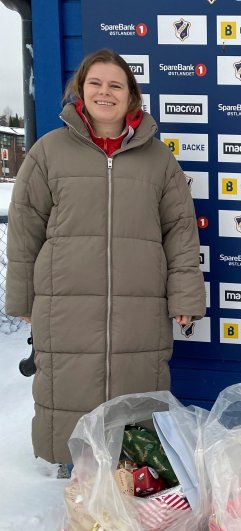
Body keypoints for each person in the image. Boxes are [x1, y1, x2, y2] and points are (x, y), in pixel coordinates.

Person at [5, 49, 206, 470]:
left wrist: (185, 296)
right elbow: (25, 229)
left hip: (140, 305)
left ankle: (135, 472)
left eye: (116, 85)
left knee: (137, 387)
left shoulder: (159, 160)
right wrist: (22, 298)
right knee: (70, 385)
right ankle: (73, 470)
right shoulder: (48, 152)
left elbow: (180, 231)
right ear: (80, 90)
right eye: (95, 83)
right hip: (66, 303)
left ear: (130, 95)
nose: (105, 92)